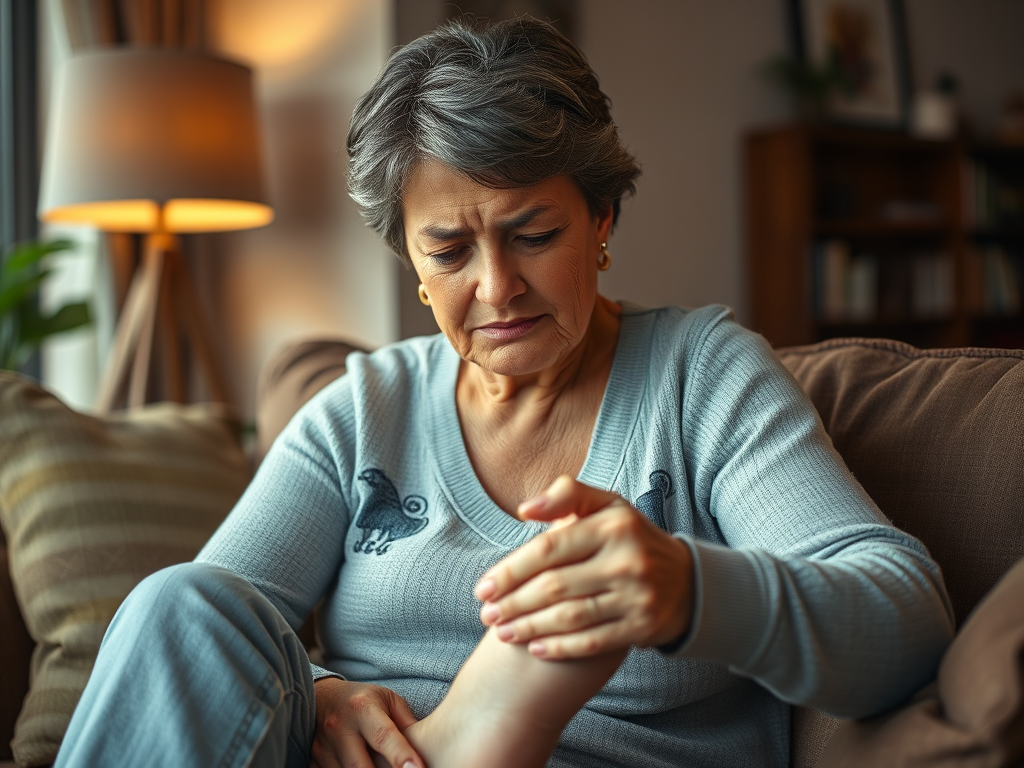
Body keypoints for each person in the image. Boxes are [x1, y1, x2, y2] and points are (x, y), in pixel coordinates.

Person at [54, 16, 955, 768]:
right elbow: (207, 636)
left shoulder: (702, 376)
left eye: (532, 233)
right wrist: (322, 692)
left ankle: (492, 731)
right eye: (449, 249)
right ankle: (456, 741)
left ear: (601, 221)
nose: (496, 286)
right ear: (410, 261)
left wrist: (689, 590)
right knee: (184, 600)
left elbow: (906, 620)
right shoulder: (365, 407)